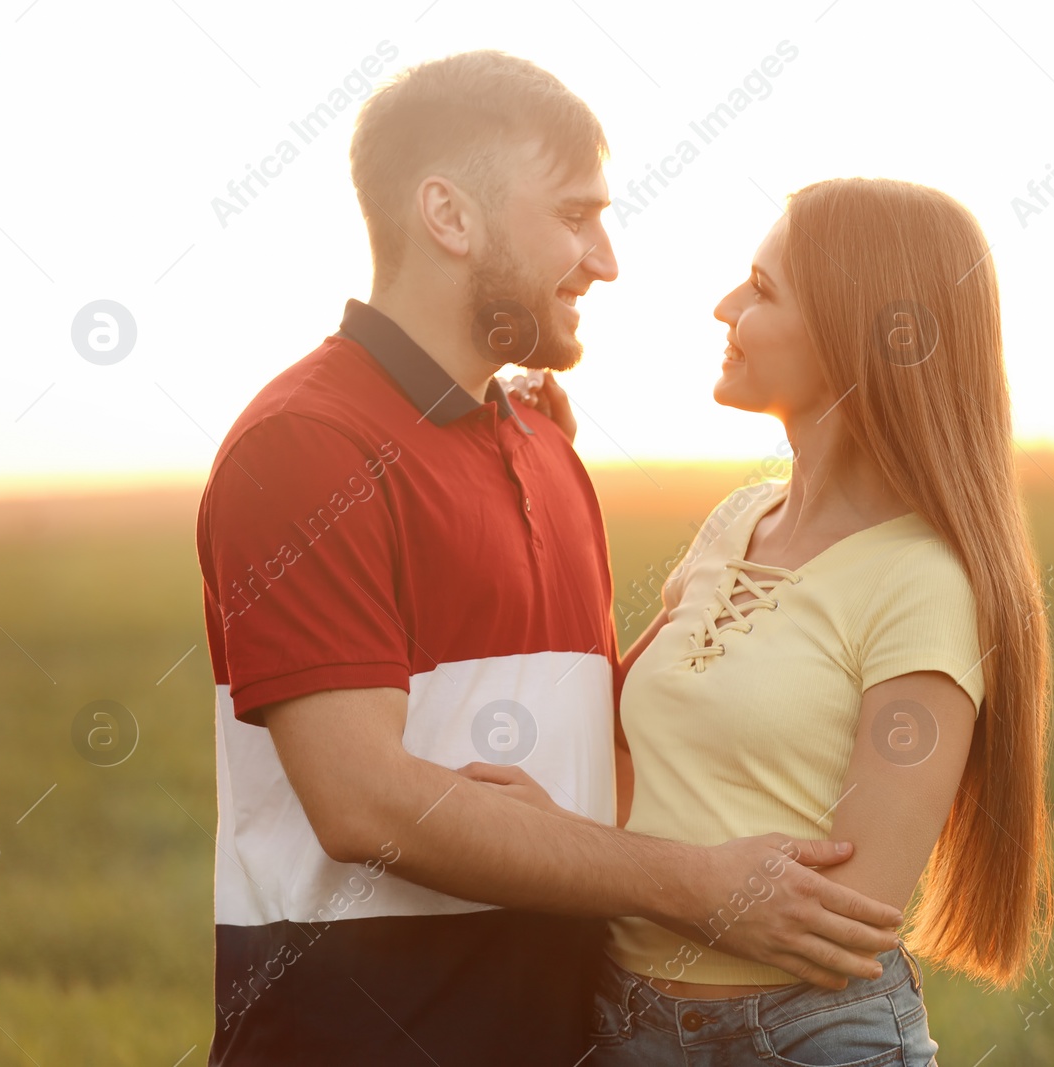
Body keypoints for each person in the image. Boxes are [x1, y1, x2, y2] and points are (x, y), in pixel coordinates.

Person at [194, 53, 902, 1066]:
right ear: (450, 216)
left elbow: (595, 751)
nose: (603, 258)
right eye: (574, 215)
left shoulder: (543, 445)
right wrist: (702, 885)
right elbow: (362, 801)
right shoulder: (308, 447)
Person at [510, 178, 1054, 1065]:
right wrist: (534, 465)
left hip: (806, 1039)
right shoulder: (737, 520)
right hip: (622, 1022)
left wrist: (576, 859)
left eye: (762, 290)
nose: (726, 306)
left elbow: (845, 915)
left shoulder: (925, 583)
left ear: (858, 333)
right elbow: (620, 745)